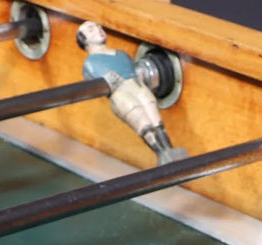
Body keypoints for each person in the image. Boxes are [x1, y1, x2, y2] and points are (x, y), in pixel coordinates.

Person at [77, 21, 183, 165]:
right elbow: (94, 83)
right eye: (91, 30)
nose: (98, 30)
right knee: (142, 122)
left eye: (99, 27)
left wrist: (138, 75)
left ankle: (171, 151)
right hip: (121, 93)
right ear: (85, 40)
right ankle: (162, 154)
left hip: (138, 86)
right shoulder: (90, 63)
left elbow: (133, 70)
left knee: (155, 118)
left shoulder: (122, 54)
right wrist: (107, 81)